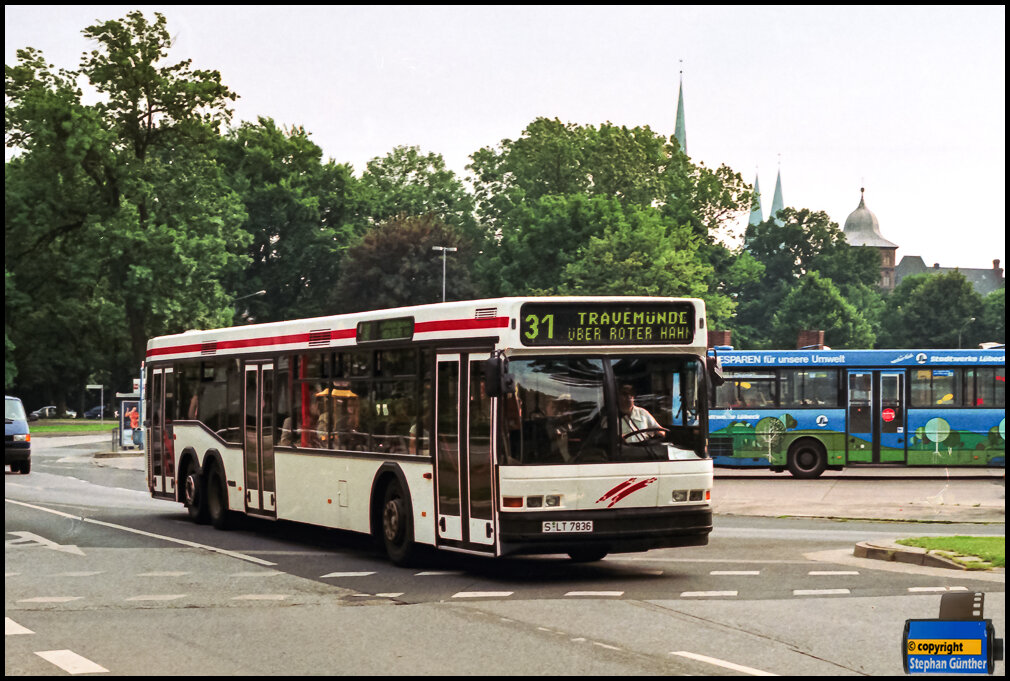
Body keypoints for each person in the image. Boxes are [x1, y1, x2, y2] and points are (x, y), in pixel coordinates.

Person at [546, 393, 575, 462]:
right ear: (546, 408)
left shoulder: (567, 423)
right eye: (552, 407)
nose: (555, 410)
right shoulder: (550, 424)